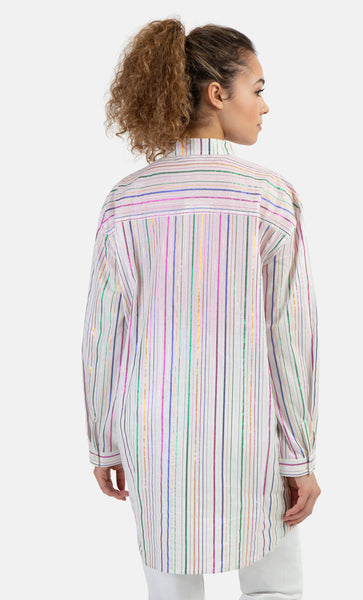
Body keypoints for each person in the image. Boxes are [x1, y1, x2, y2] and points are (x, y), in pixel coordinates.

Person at [81, 17, 321, 600]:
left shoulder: (124, 200)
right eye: (256, 89)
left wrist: (103, 441)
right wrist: (300, 455)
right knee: (274, 588)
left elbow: (103, 336)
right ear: (218, 93)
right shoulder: (269, 196)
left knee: (171, 593)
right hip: (249, 437)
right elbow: (289, 338)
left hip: (154, 436)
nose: (265, 106)